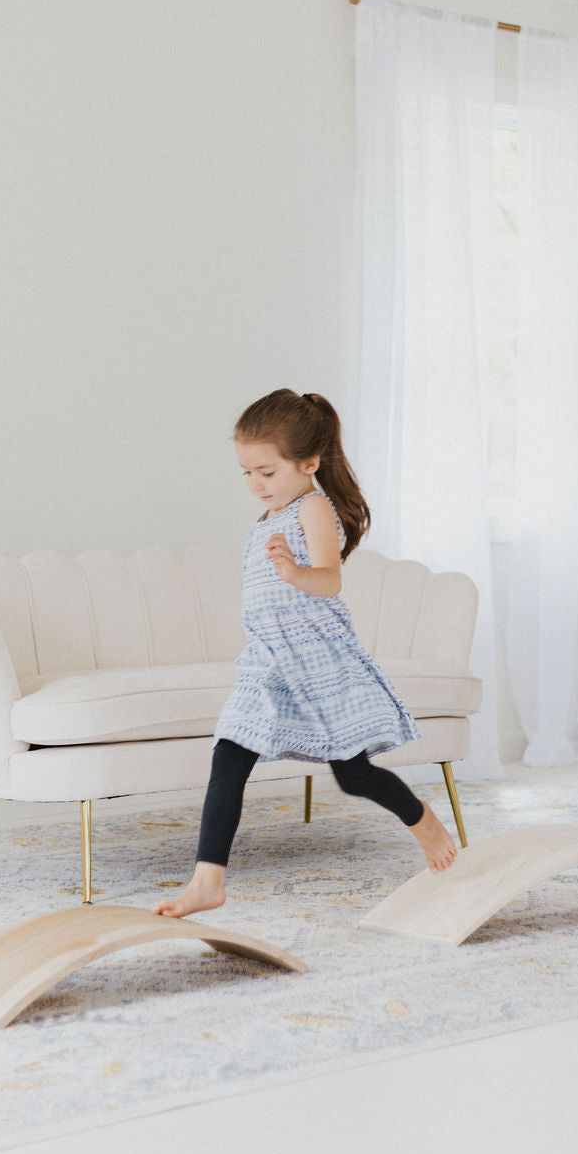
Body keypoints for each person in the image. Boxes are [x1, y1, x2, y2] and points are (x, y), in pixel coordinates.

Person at [155, 388, 457, 917]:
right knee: (229, 754)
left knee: (353, 774)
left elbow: (329, 581)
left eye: (266, 473)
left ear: (308, 464)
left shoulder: (313, 507)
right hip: (267, 660)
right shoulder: (266, 520)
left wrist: (294, 572)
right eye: (246, 472)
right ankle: (208, 881)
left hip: (317, 660)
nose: (255, 484)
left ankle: (422, 820)